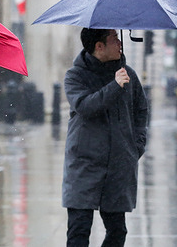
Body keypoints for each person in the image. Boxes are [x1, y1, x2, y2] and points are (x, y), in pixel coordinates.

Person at [62, 28, 148, 247]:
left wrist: (136, 145)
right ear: (99, 46)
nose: (119, 42)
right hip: (85, 164)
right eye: (114, 39)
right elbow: (85, 107)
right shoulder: (75, 75)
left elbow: (141, 110)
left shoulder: (128, 74)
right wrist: (115, 86)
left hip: (119, 164)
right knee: (79, 231)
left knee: (118, 231)